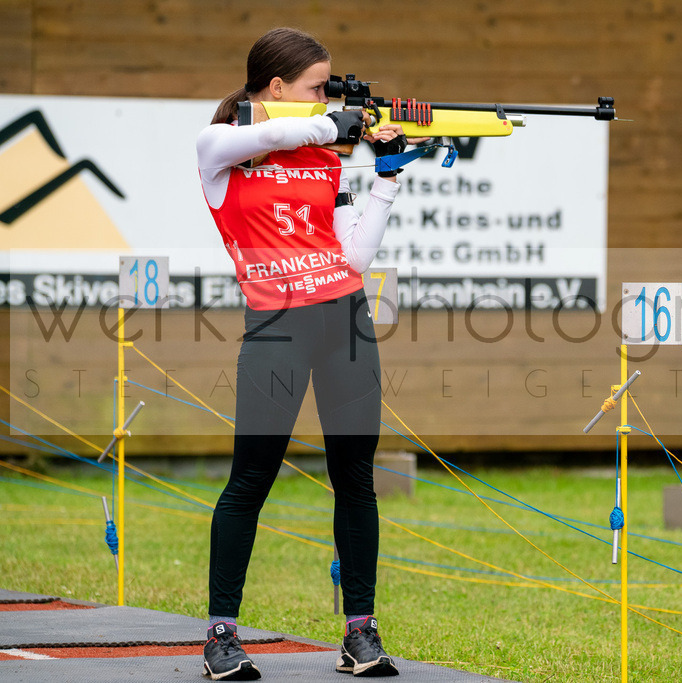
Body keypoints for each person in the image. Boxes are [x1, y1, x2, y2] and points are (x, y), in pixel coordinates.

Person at [196, 27, 404, 680]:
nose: (329, 99)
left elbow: (354, 258)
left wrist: (388, 182)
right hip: (278, 324)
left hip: (345, 319)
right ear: (277, 88)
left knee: (355, 478)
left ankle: (360, 632)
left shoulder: (328, 163)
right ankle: (221, 634)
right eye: (318, 88)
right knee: (250, 480)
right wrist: (330, 125)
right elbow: (261, 136)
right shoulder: (221, 150)